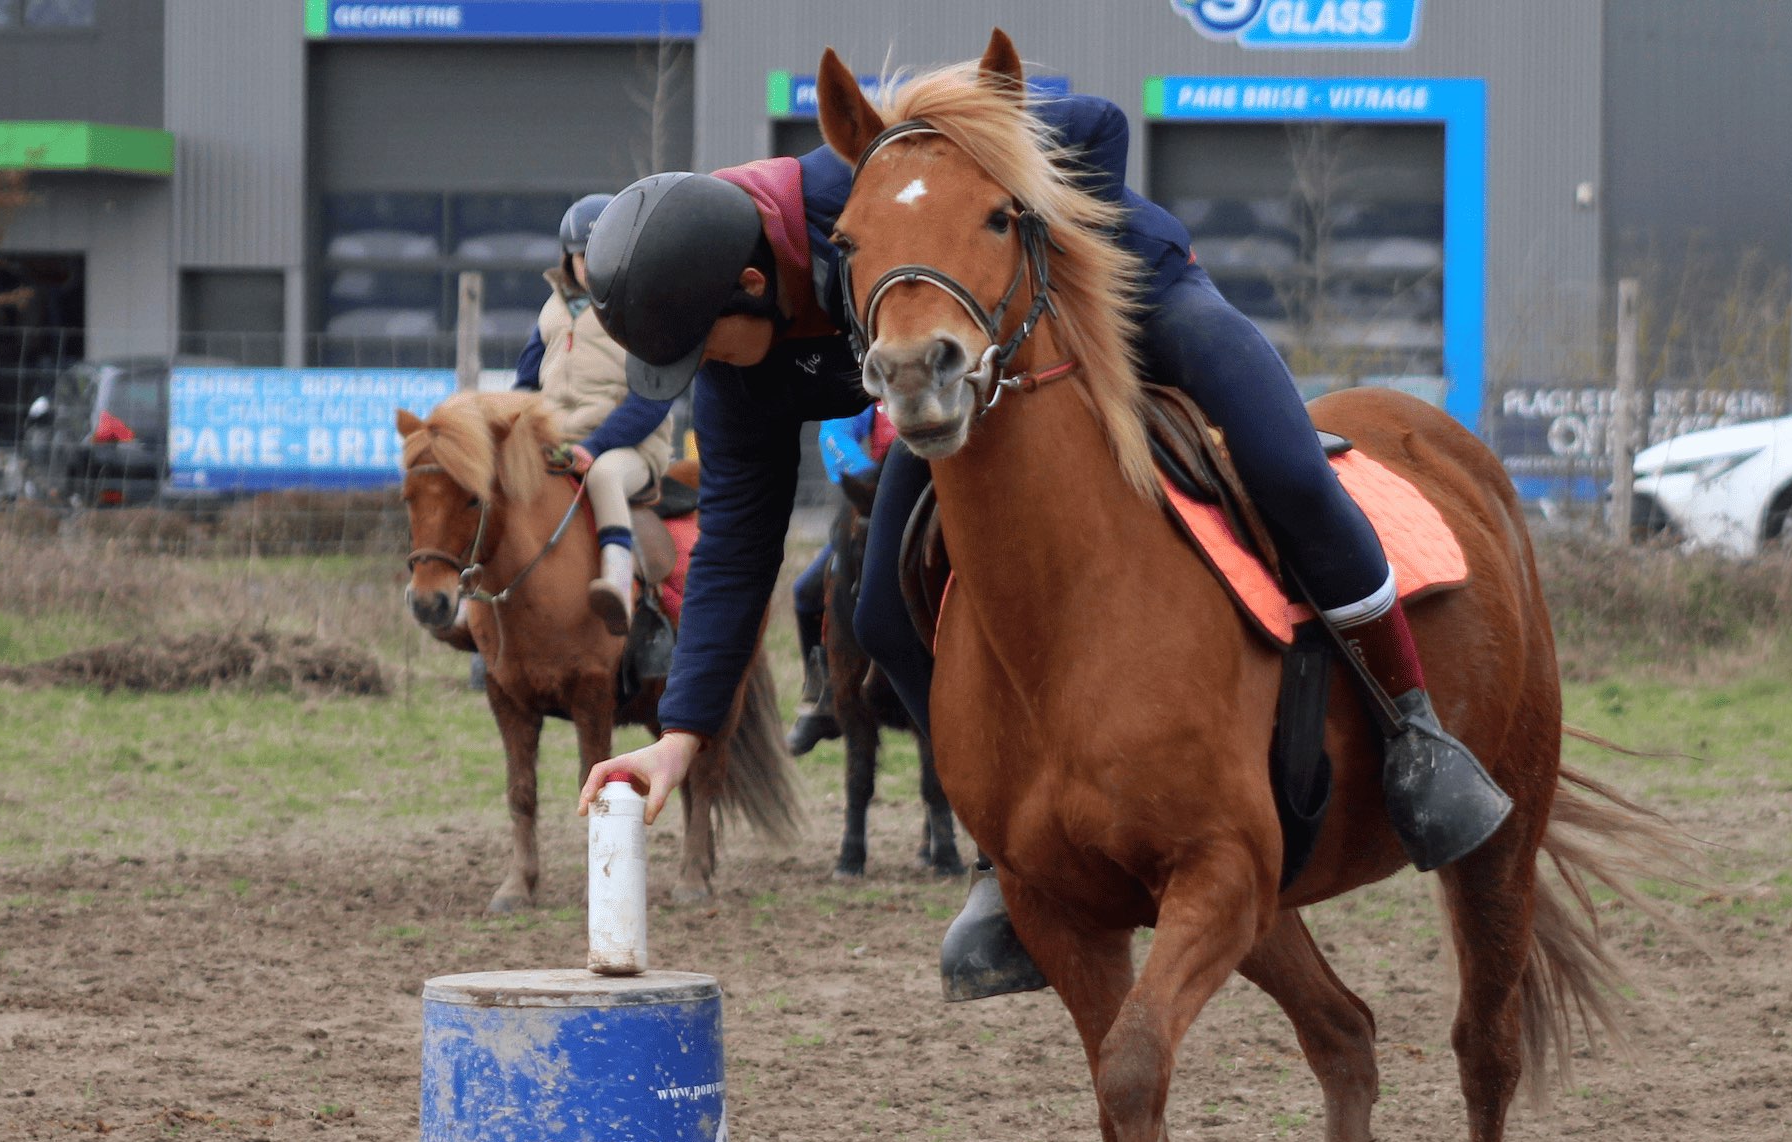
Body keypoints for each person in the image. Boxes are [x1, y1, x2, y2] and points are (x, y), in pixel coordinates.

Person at [575, 74, 1510, 1000]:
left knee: (1291, 470)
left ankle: (1414, 730)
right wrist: (683, 737)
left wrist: (1033, 215)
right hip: (968, 386)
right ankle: (1005, 851)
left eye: (701, 352)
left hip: (1134, 297)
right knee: (881, 612)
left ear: (750, 284)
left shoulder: (870, 169)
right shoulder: (739, 371)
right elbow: (739, 543)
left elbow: (1098, 123)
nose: (706, 379)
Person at [514, 193, 678, 636]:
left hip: (629, 449)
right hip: (557, 442)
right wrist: (521, 435)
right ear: (568, 259)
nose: (589, 265)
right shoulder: (550, 310)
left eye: (601, 254)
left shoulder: (646, 313)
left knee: (604, 475)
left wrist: (595, 446)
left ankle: (617, 581)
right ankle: (483, 600)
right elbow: (527, 383)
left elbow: (653, 399)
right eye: (581, 256)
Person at [787, 403, 900, 755]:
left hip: (940, 502)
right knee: (806, 592)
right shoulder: (869, 383)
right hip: (878, 505)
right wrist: (872, 481)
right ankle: (823, 696)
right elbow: (835, 434)